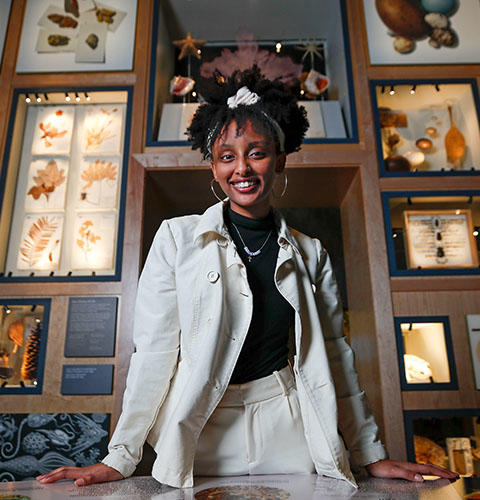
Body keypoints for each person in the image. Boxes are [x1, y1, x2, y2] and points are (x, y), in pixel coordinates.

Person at [36, 68, 458, 489]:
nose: (242, 168)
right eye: (226, 156)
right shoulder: (176, 240)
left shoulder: (311, 253)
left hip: (288, 429)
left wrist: (370, 455)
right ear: (214, 166)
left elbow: (335, 359)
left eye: (256, 153)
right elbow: (153, 354)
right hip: (201, 432)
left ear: (280, 159)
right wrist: (121, 457)